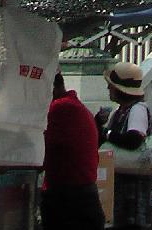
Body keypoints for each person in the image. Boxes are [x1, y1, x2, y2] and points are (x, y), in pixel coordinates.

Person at [98, 62, 152, 230]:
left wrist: (107, 134)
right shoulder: (120, 112)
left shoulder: (137, 110)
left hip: (133, 190)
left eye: (111, 86)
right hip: (121, 187)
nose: (108, 89)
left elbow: (133, 140)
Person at [42, 73, 104, 230]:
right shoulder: (75, 106)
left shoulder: (61, 108)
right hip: (81, 199)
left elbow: (38, 150)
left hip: (70, 202)